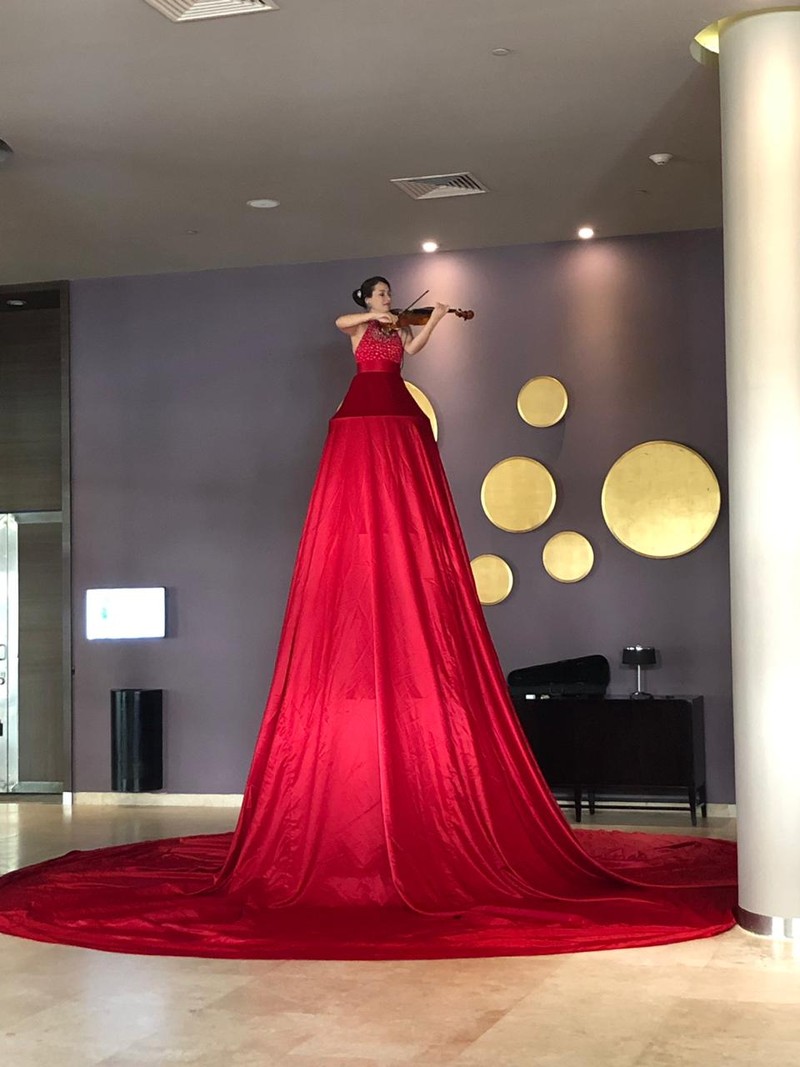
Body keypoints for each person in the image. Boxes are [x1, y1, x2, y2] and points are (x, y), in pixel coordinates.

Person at [0, 276, 737, 959]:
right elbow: (344, 324)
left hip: (397, 414)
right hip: (363, 411)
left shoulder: (400, 341)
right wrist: (380, 316)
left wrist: (432, 319)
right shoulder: (362, 328)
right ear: (370, 297)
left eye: (389, 294)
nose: (389, 301)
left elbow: (416, 346)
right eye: (381, 293)